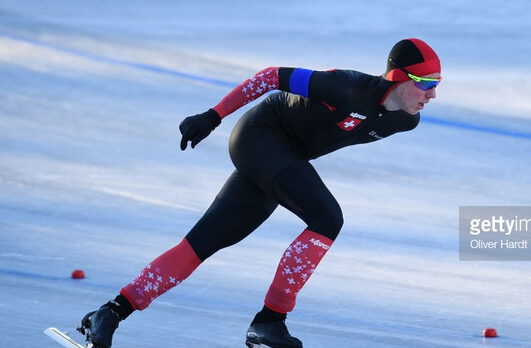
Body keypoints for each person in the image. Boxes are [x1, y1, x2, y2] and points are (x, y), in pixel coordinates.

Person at [77, 38, 441, 348]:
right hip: (260, 136)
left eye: (437, 84)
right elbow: (270, 77)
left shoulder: (404, 121)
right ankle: (271, 319)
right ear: (399, 77)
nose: (432, 94)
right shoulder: (344, 87)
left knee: (203, 242)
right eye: (426, 83)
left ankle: (109, 312)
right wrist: (212, 116)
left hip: (283, 157)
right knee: (327, 217)